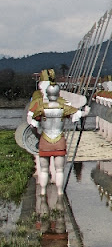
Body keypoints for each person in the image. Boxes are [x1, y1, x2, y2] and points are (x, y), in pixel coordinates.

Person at [31, 72, 89, 200]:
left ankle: (42, 191)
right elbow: (78, 115)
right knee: (59, 170)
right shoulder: (63, 108)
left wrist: (37, 136)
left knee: (44, 169)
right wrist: (86, 111)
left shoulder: (40, 108)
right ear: (58, 94)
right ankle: (59, 192)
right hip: (59, 140)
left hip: (45, 140)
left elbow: (33, 125)